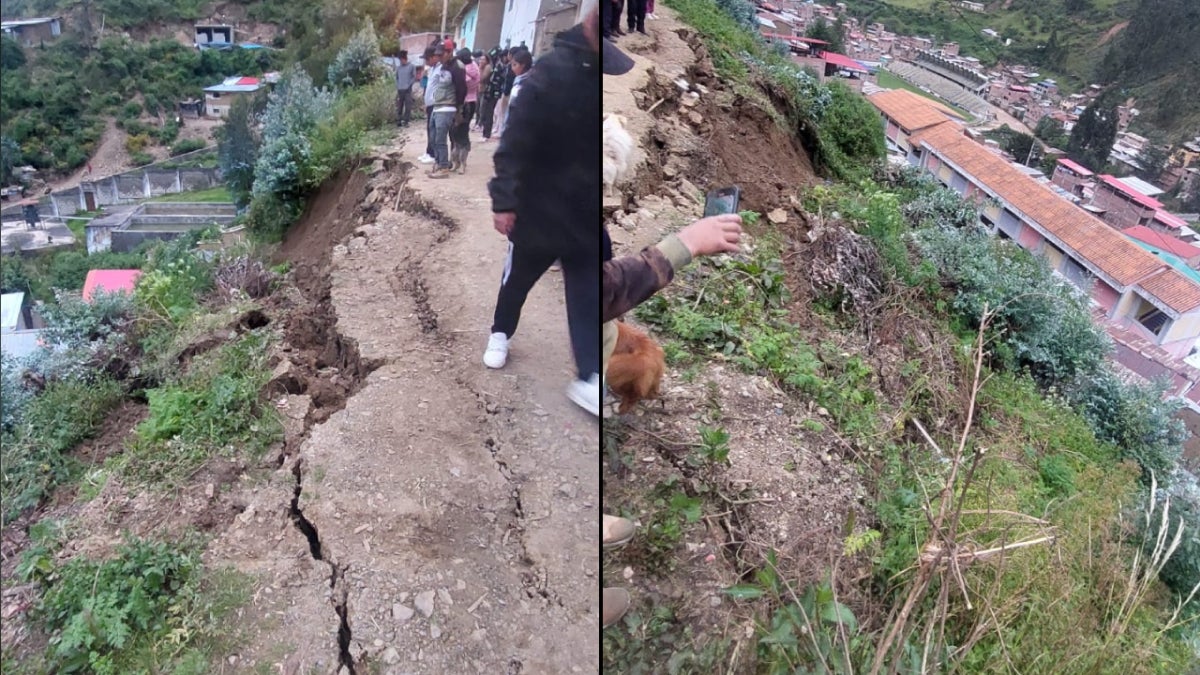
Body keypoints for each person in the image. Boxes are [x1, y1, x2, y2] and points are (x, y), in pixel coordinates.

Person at [484, 10, 618, 417]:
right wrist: (505, 201)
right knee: (519, 279)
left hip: (581, 213)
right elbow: (514, 142)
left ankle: (590, 375)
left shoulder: (598, 70)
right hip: (539, 209)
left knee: (586, 291)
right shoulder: (548, 74)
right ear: (593, 25)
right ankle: (500, 333)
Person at [425, 46, 465, 178]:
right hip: (437, 106)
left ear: (449, 53)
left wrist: (458, 108)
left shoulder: (457, 67)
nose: (439, 58)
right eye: (438, 55)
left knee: (440, 139)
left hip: (447, 107)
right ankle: (438, 163)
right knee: (433, 138)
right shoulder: (443, 67)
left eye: (441, 55)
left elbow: (461, 89)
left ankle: (443, 168)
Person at [451, 48, 480, 174]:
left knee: (459, 134)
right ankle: (458, 162)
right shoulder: (475, 68)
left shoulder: (465, 71)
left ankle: (461, 163)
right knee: (460, 133)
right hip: (471, 102)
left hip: (464, 104)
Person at [499, 49, 533, 136]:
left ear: (523, 65)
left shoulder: (528, 83)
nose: (512, 68)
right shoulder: (518, 79)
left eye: (515, 65)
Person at [480, 48, 507, 141]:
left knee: (489, 113)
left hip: (494, 93)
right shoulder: (495, 65)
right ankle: (485, 132)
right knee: (486, 112)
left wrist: (495, 92)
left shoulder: (499, 67)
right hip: (489, 91)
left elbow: (497, 81)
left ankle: (486, 134)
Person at [418, 47, 438, 164]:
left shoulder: (440, 69)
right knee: (429, 129)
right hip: (430, 104)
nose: (425, 62)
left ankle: (433, 154)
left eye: (427, 59)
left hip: (435, 104)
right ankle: (429, 151)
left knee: (433, 130)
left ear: (433, 57)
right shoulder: (432, 69)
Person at [394, 50, 417, 127]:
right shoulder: (399, 68)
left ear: (405, 59)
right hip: (400, 90)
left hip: (407, 89)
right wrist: (398, 85)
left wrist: (409, 85)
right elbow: (396, 78)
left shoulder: (411, 66)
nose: (400, 61)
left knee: (408, 106)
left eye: (401, 60)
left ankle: (406, 121)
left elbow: (413, 77)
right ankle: (399, 120)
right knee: (399, 106)